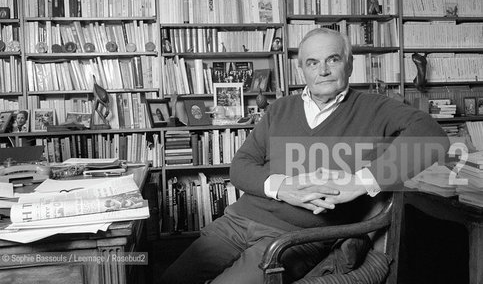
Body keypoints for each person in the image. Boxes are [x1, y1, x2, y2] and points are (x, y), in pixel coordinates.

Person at [160, 28, 449, 284]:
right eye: (312, 63)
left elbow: (433, 138)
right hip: (236, 222)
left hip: (294, 237)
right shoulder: (280, 109)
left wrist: (363, 181)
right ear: (302, 70)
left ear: (349, 65)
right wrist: (283, 187)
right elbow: (240, 167)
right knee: (172, 278)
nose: (322, 70)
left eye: (332, 59)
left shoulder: (376, 108)